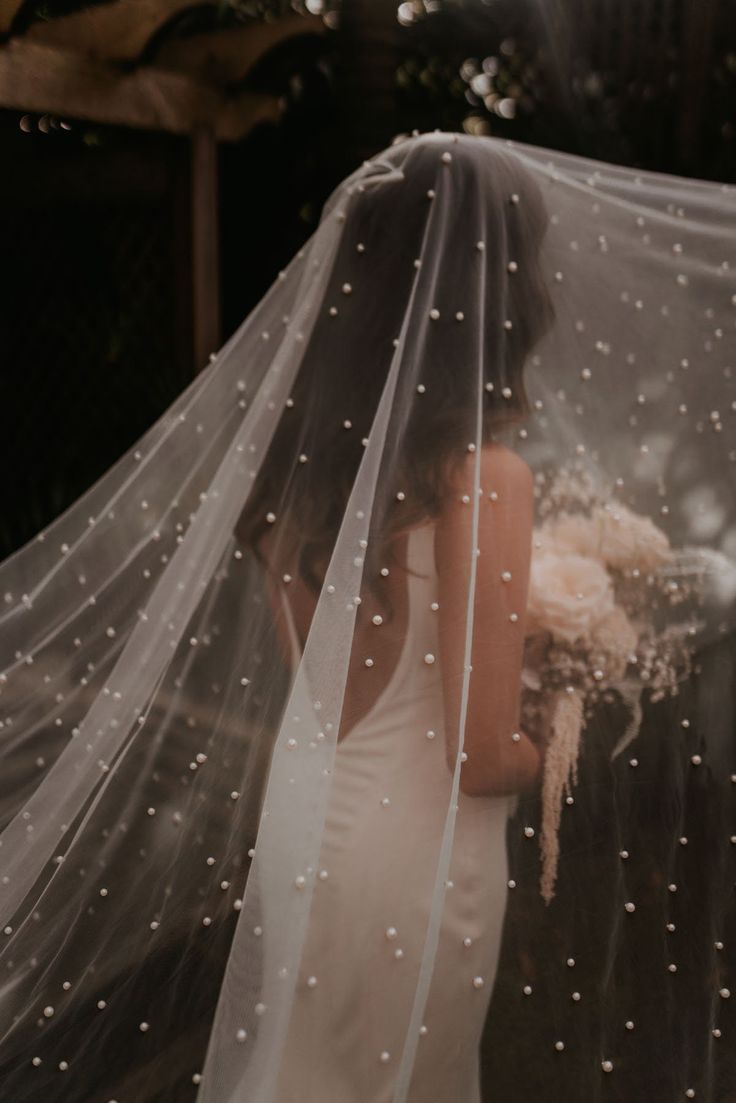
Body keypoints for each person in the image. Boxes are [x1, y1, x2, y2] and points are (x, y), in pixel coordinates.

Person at [0, 131, 734, 1103]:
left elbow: (343, 671)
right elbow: (479, 758)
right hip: (418, 857)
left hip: (313, 818)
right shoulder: (482, 480)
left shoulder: (296, 472)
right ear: (500, 297)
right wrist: (570, 712)